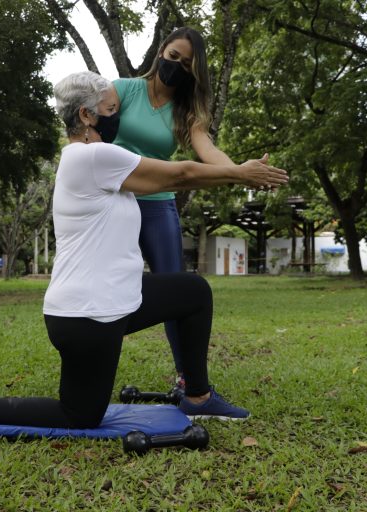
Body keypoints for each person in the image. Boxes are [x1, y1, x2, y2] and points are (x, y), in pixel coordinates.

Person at [0, 71, 288, 431]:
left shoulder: (97, 161)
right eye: (111, 111)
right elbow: (181, 174)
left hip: (104, 303)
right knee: (82, 411)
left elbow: (166, 177)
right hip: (90, 315)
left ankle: (197, 396)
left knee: (188, 296)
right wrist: (241, 173)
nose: (118, 117)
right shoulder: (92, 158)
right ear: (85, 115)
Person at [113, 27, 265, 397]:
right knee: (107, 285)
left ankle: (188, 378)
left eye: (186, 63)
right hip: (114, 202)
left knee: (174, 290)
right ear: (161, 52)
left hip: (157, 205)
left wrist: (238, 170)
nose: (176, 65)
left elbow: (207, 150)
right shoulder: (123, 89)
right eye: (173, 56)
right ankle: (93, 366)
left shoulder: (187, 110)